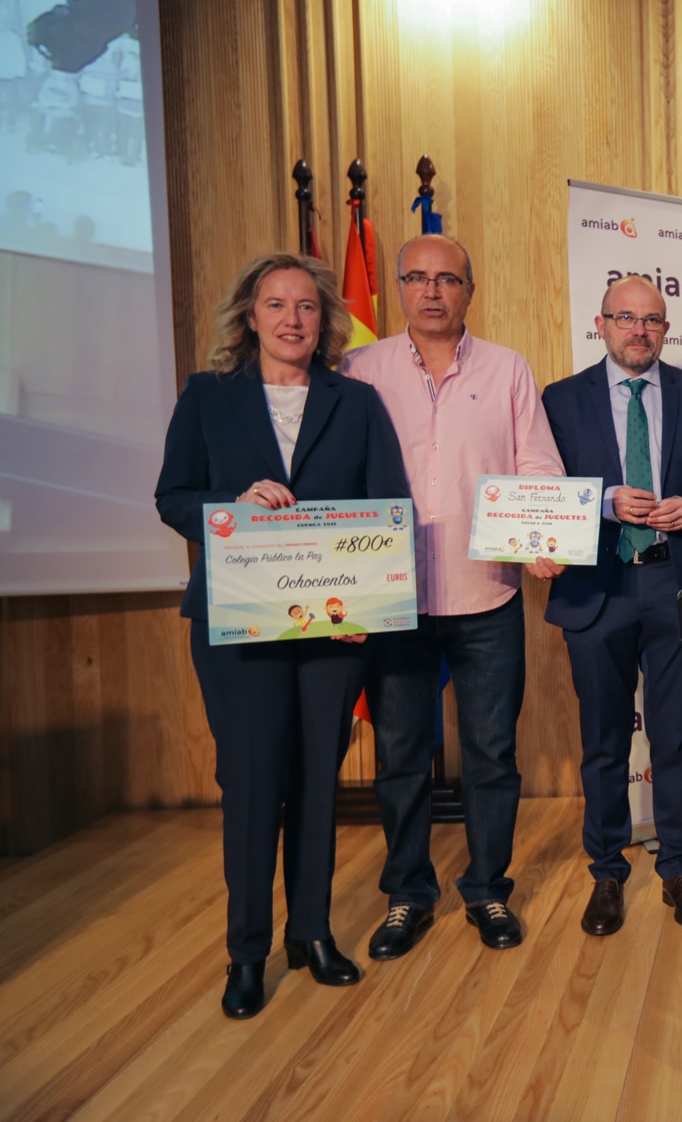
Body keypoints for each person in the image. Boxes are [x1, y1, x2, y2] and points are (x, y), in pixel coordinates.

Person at [155, 252, 407, 1019]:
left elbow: (386, 502)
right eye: (276, 305)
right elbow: (172, 496)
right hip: (240, 628)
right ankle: (247, 952)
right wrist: (231, 503)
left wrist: (361, 607)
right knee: (254, 785)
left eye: (305, 306)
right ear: (250, 316)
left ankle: (314, 933)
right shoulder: (208, 397)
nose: (292, 319)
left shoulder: (356, 402)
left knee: (316, 787)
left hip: (333, 628)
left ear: (324, 320)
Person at [341, 234, 566, 958]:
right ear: (399, 288)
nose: (432, 291)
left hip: (488, 595)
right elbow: (340, 475)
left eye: (448, 279)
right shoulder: (358, 369)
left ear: (470, 290)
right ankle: (409, 893)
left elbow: (536, 463)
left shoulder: (506, 369)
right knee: (402, 754)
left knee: (491, 753)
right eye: (416, 277)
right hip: (392, 599)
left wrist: (543, 537)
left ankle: (488, 888)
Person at [542, 274, 682, 937]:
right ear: (601, 323)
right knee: (601, 739)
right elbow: (541, 485)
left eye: (652, 319)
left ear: (665, 327)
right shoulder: (560, 400)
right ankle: (605, 868)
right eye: (626, 318)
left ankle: (677, 865)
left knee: (673, 735)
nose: (639, 331)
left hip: (673, 581)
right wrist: (600, 503)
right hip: (596, 585)